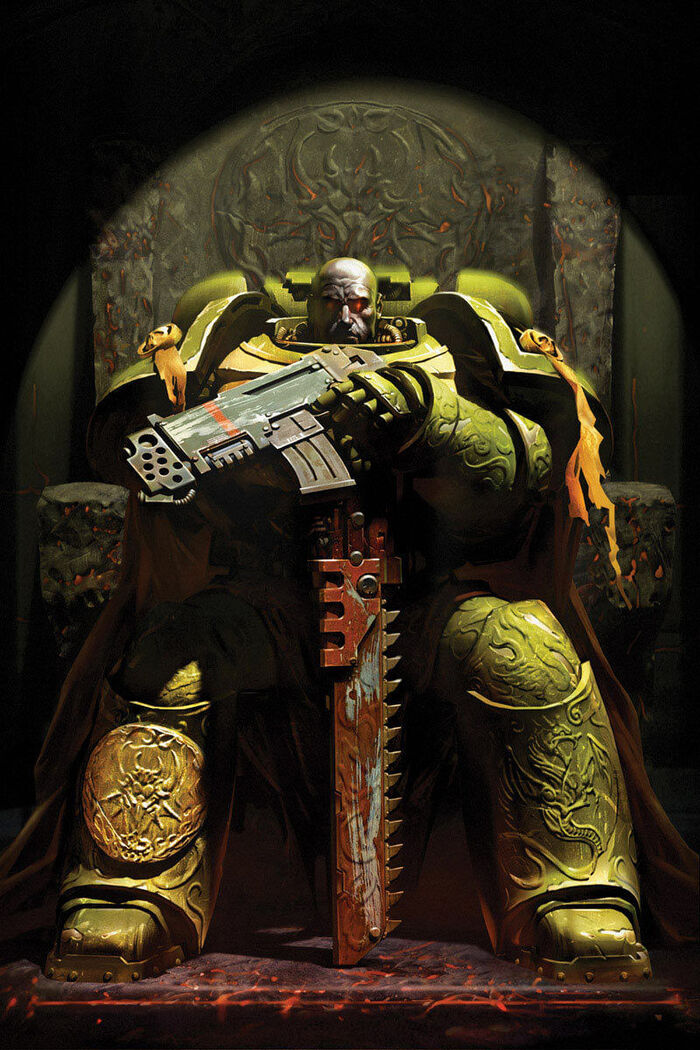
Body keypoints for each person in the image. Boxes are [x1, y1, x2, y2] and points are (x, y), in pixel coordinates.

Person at [1, 258, 696, 984]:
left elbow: (530, 467)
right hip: (272, 607)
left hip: (421, 605)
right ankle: (130, 885)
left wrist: (431, 415)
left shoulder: (440, 357)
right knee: (166, 657)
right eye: (332, 303)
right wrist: (251, 446)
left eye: (358, 303)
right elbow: (140, 460)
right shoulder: (238, 358)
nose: (346, 317)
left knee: (528, 653)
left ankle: (574, 886)